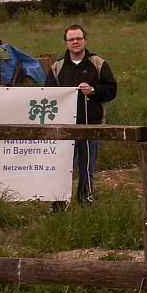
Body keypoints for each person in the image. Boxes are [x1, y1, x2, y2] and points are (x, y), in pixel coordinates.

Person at [45, 24, 117, 206]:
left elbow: (111, 90)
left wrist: (93, 90)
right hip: (63, 127)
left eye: (78, 38)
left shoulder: (98, 64)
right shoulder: (57, 67)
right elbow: (47, 95)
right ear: (66, 42)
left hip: (90, 125)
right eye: (71, 39)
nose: (75, 42)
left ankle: (86, 200)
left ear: (85, 40)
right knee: (61, 167)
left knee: (86, 166)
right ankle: (59, 204)